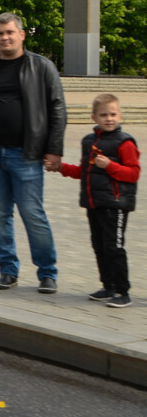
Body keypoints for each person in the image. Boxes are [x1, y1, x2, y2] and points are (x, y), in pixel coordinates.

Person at [0, 11, 65, 293]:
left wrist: (54, 149)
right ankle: (8, 271)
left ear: (21, 34)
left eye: (10, 32)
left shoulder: (41, 67)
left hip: (27, 155)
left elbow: (57, 108)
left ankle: (47, 273)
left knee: (33, 214)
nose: (5, 38)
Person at [57, 94, 139, 308]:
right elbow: (85, 172)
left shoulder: (125, 143)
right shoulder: (89, 141)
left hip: (116, 204)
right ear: (94, 117)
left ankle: (123, 291)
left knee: (114, 247)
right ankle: (108, 286)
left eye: (113, 114)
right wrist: (61, 168)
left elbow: (133, 174)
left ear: (120, 115)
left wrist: (109, 166)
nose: (109, 118)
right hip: (94, 204)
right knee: (100, 246)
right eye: (103, 115)